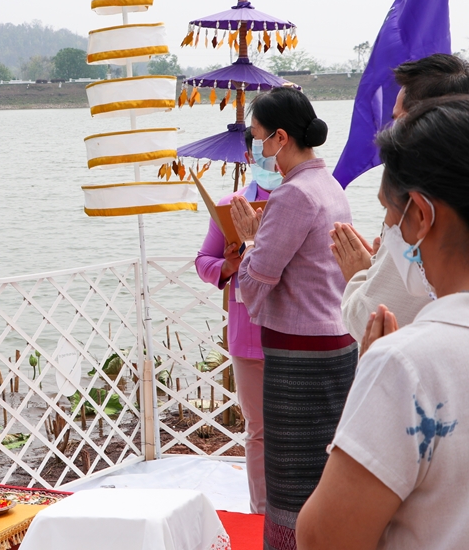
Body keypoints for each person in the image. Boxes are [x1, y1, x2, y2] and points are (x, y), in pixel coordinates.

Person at [297, 96, 469, 550]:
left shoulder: (405, 365)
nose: (388, 229)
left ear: (420, 215)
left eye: (391, 214)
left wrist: (371, 380)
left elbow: (322, 538)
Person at [230, 87, 355, 550]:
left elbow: (256, 283)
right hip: (336, 339)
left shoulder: (293, 195)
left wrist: (248, 242)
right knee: (328, 468)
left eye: (258, 137)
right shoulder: (329, 186)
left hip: (301, 354)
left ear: (281, 138)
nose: (256, 148)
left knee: (293, 479)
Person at [330, 54, 469, 342]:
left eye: (398, 122)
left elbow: (371, 316)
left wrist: (360, 275)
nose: (391, 134)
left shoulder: (425, 210)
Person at [195, 127, 278, 514]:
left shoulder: (300, 201)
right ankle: (261, 512)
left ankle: (305, 513)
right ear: (248, 158)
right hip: (248, 332)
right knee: (258, 431)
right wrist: (228, 264)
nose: (268, 157)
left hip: (296, 326)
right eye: (258, 150)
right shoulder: (230, 205)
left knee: (302, 431)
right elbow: (203, 261)